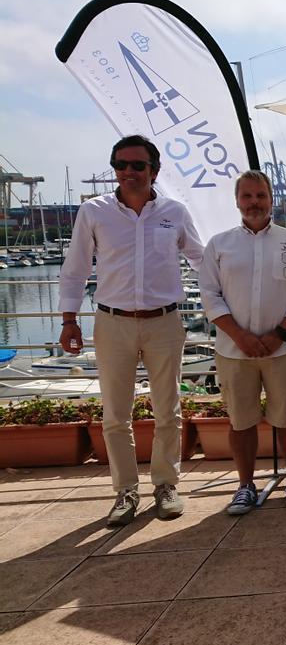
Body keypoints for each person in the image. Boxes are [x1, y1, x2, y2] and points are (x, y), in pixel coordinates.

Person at [58, 134, 204, 526]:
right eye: (120, 165)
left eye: (137, 165)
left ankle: (166, 485)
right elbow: (75, 268)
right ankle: (125, 492)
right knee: (115, 414)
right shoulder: (94, 211)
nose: (128, 172)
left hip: (165, 321)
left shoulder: (174, 211)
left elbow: (201, 260)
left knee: (167, 410)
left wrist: (232, 299)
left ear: (154, 171)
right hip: (113, 321)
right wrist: (69, 320)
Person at [199, 170, 286, 515]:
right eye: (247, 196)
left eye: (260, 196)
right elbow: (209, 294)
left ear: (271, 199)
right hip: (234, 351)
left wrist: (277, 335)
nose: (254, 203)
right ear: (237, 201)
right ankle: (245, 485)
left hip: (285, 348)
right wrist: (240, 336)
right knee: (241, 421)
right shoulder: (219, 245)